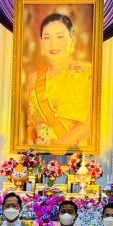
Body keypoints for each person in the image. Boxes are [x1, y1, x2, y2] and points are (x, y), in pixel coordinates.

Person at [24, 13, 93, 147]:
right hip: (40, 152)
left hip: (73, 153)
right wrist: (32, 150)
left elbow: (86, 125)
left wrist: (56, 148)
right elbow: (30, 126)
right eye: (47, 37)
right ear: (41, 42)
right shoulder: (34, 78)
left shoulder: (86, 73)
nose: (53, 43)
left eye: (60, 37)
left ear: (72, 40)